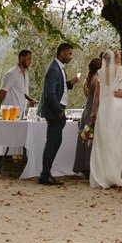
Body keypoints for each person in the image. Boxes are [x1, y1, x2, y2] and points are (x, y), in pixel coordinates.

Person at [89, 47, 122, 189]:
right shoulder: (120, 69)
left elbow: (96, 96)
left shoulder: (100, 72)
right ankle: (113, 173)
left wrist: (94, 112)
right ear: (117, 58)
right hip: (117, 108)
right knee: (116, 139)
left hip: (104, 109)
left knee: (102, 141)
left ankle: (101, 174)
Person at [37, 42, 76, 185]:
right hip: (55, 112)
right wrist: (59, 111)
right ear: (62, 53)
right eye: (69, 54)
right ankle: (45, 174)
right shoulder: (54, 69)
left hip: (58, 110)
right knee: (52, 142)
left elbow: (61, 87)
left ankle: (47, 173)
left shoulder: (59, 68)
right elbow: (50, 94)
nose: (71, 57)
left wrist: (71, 83)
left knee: (56, 142)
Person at [73, 57, 101, 179]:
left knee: (85, 138)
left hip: (86, 110)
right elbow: (97, 98)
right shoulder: (97, 80)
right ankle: (90, 167)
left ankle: (84, 166)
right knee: (91, 139)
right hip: (92, 111)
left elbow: (87, 95)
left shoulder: (89, 80)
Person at [0, 48, 33, 115]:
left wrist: (32, 101)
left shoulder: (26, 74)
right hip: (10, 114)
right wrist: (3, 108)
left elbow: (23, 93)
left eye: (31, 59)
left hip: (21, 114)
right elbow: (2, 92)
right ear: (21, 58)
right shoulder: (11, 73)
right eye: (28, 59)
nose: (30, 61)